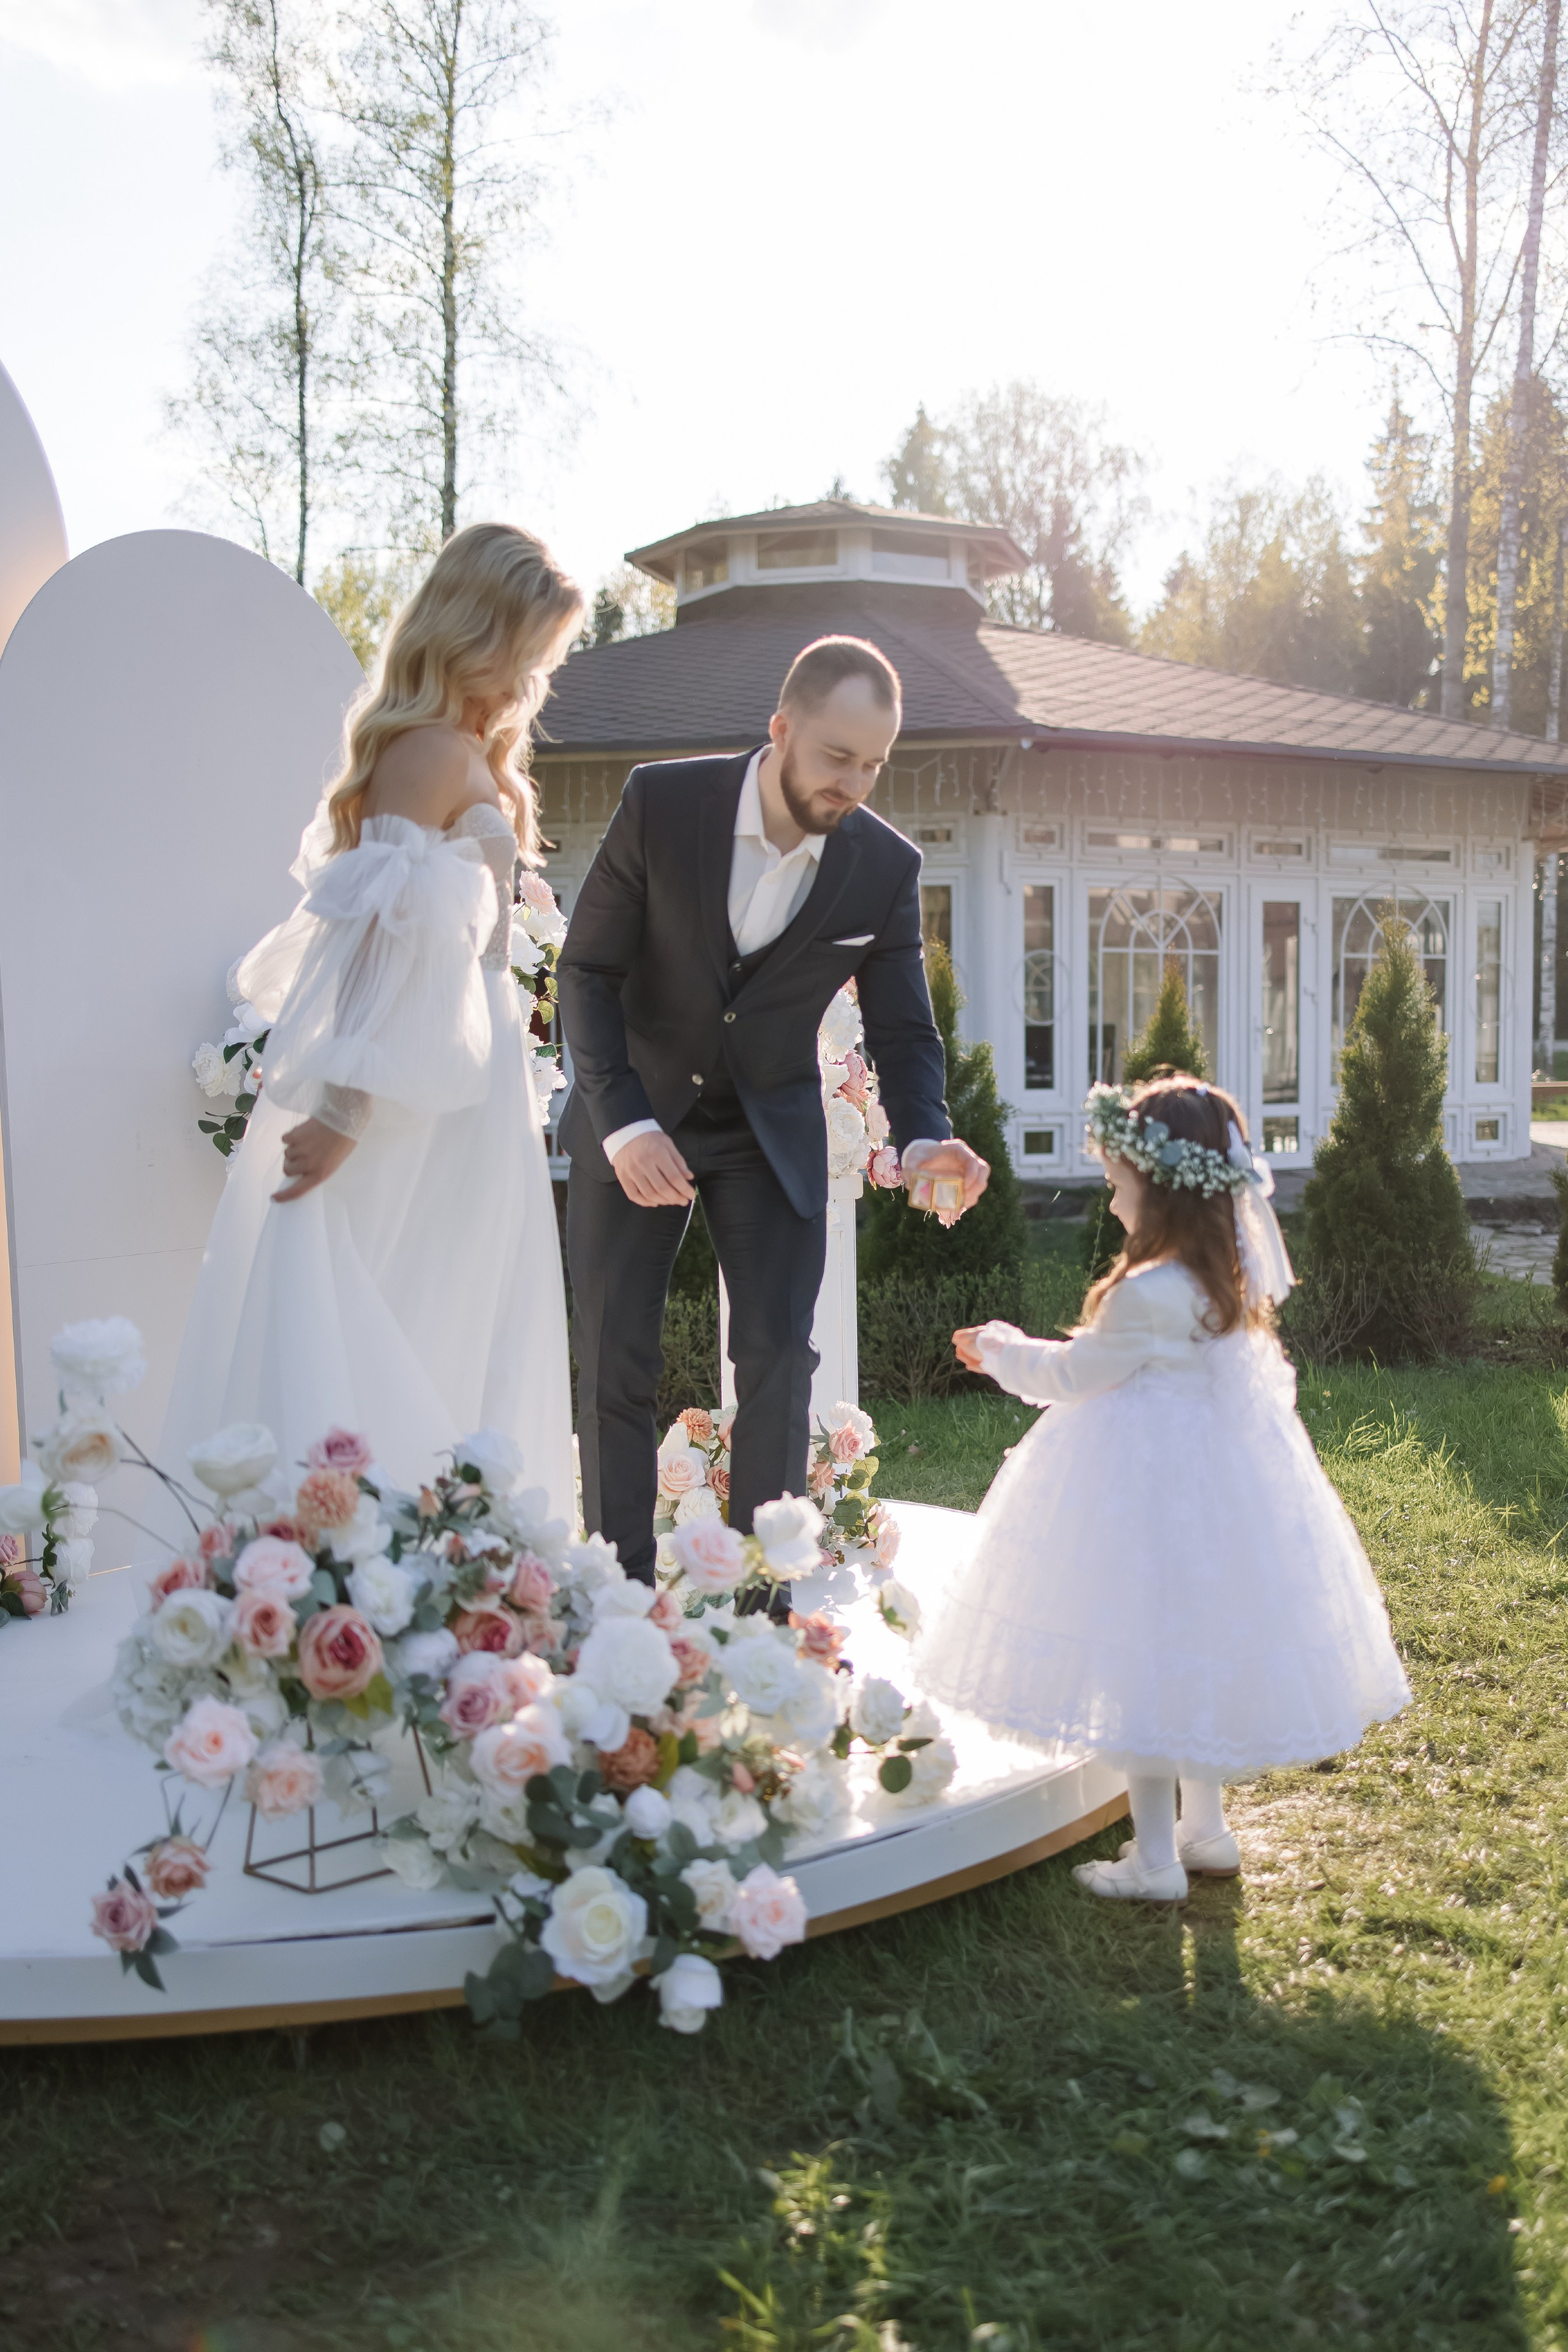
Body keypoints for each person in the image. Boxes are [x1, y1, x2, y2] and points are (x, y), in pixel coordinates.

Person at [160, 523, 584, 1518]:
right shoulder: (428, 752)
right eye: (529, 650)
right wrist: (346, 1105)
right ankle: (373, 1547)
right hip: (409, 1087)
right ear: (480, 631)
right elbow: (378, 941)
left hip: (466, 1083)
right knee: (392, 1302)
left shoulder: (463, 751)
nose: (531, 678)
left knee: (450, 1310)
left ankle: (440, 1563)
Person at [915, 1072, 1411, 1905]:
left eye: (1119, 1186)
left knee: (1140, 1667)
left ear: (1165, 1193)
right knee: (1191, 1657)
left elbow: (1073, 1375)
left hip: (1139, 1495)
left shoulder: (1145, 1293)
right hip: (1215, 1498)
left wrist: (998, 1348)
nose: (1111, 1205)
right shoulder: (1229, 1283)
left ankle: (1153, 1859)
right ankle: (1205, 1829)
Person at [556, 633, 990, 1583]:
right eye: (837, 756)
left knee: (777, 1367)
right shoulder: (662, 804)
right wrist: (624, 1125)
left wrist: (925, 1138)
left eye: (874, 764)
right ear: (782, 728)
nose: (854, 783)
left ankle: (761, 1607)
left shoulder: (884, 866)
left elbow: (907, 1032)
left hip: (768, 1133)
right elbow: (585, 970)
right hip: (638, 1113)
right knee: (614, 1362)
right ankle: (616, 1594)